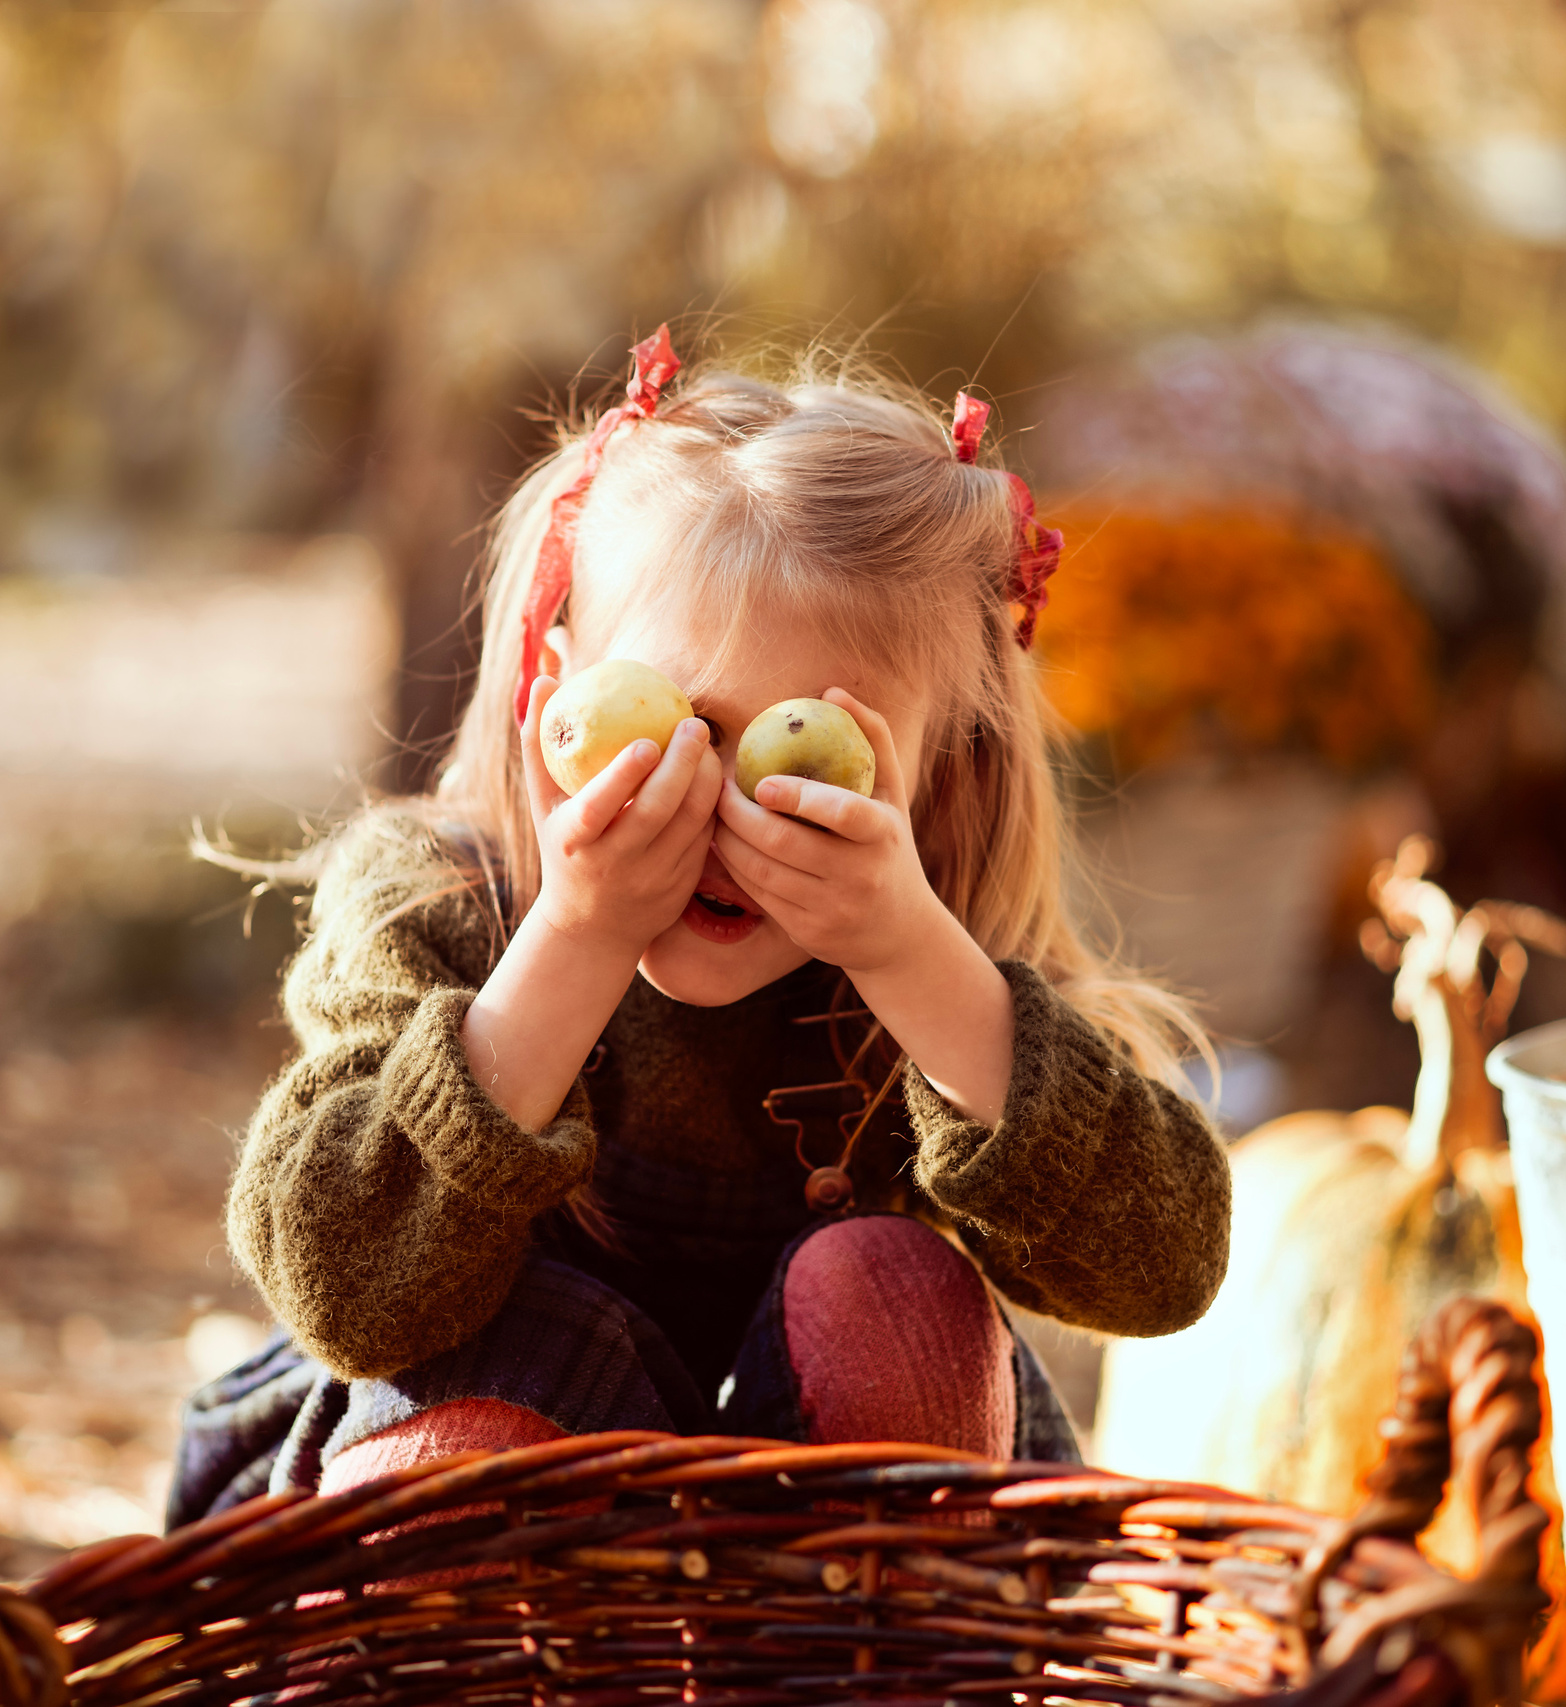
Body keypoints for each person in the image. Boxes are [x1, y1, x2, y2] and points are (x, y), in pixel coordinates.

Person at [170, 330, 1232, 1526]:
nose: (723, 808)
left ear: (938, 776)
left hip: (812, 1552)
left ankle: (892, 1667)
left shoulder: (930, 958)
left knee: (886, 1284)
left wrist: (910, 959)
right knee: (506, 1338)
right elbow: (340, 1289)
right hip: (475, 1513)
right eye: (670, 726)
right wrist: (571, 940)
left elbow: (1166, 1266)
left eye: (801, 746)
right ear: (552, 704)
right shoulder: (437, 898)